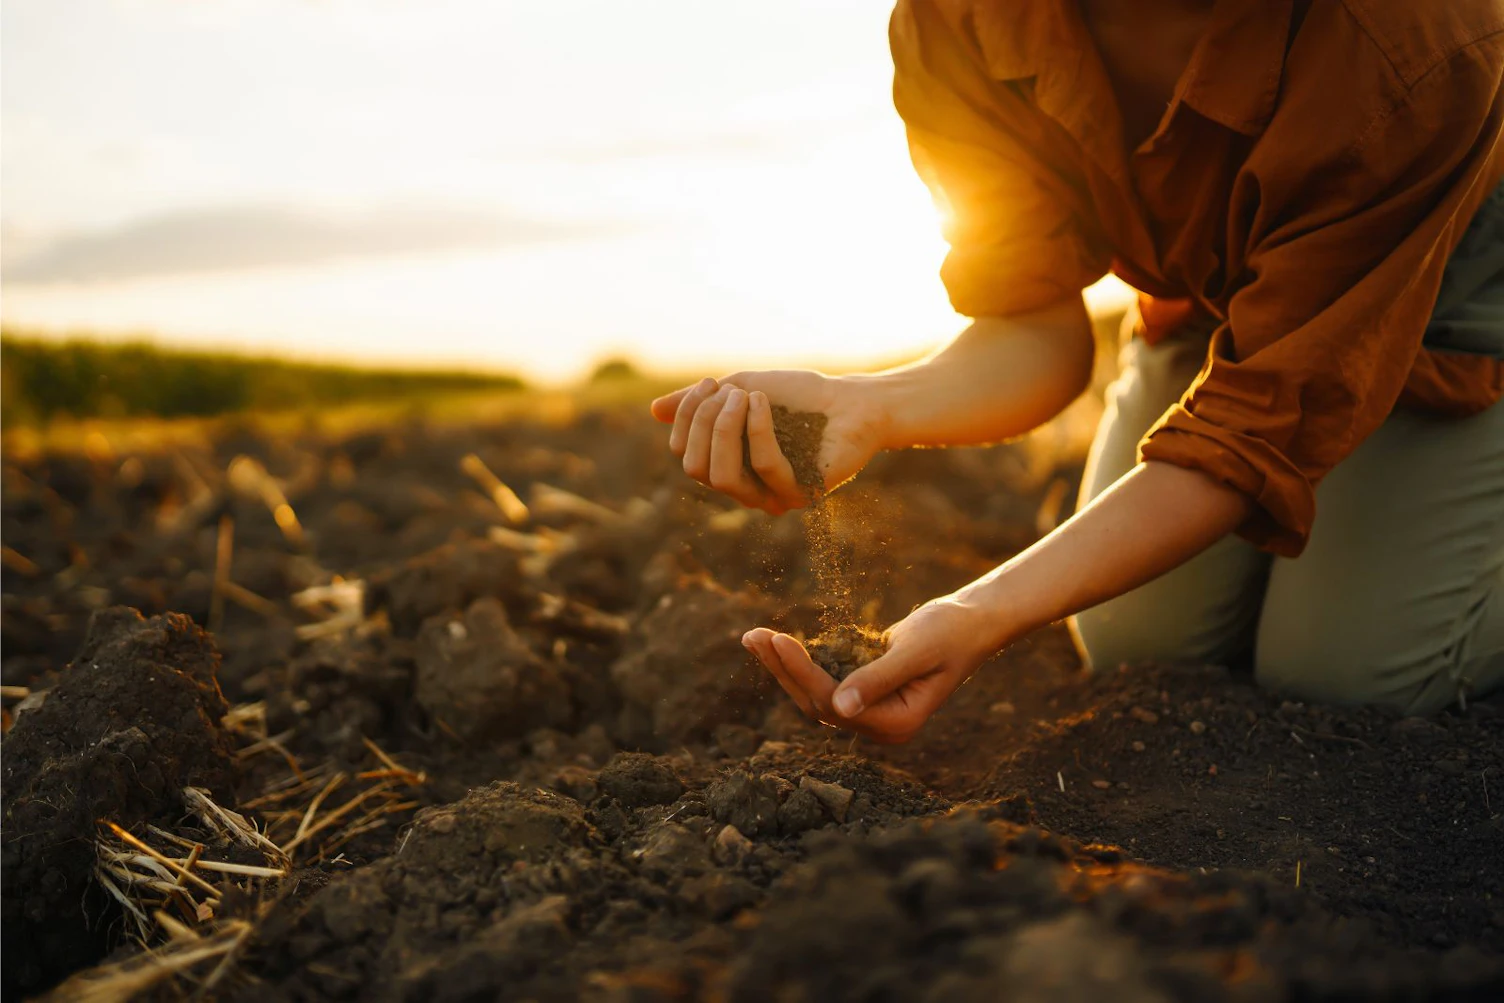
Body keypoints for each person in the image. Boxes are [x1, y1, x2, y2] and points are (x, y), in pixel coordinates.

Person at [651, 0, 1504, 744]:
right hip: (1226, 298)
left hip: (1460, 285)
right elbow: (1032, 327)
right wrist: (872, 404)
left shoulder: (1410, 31)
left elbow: (1255, 428)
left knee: (1358, 671)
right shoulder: (959, 16)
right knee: (1141, 637)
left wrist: (981, 612)